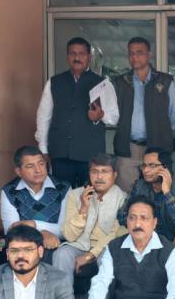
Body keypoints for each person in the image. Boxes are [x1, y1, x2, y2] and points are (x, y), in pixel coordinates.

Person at [35, 36, 119, 188]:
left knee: (89, 195)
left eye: (81, 54)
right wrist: (43, 149)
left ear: (89, 57)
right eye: (72, 53)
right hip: (60, 154)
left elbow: (114, 117)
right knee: (62, 195)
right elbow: (43, 117)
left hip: (90, 156)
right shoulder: (54, 82)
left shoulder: (103, 83)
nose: (77, 57)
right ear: (67, 57)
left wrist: (101, 115)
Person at [113, 37, 175, 192]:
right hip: (128, 148)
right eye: (131, 53)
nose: (134, 56)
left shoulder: (165, 81)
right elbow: (113, 115)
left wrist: (161, 137)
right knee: (127, 194)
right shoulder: (120, 82)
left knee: (158, 192)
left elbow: (173, 118)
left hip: (157, 148)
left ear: (149, 54)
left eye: (139, 52)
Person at [53, 153, 127, 289]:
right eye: (94, 171)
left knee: (107, 257)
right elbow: (69, 235)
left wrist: (90, 255)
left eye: (105, 171)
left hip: (106, 247)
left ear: (114, 175)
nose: (99, 177)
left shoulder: (123, 198)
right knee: (61, 254)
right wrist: (83, 209)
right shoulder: (75, 195)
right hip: (79, 245)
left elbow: (116, 234)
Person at [118, 147, 175, 265]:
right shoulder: (138, 186)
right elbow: (122, 217)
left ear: (165, 168)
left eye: (152, 166)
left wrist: (167, 193)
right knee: (121, 231)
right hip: (144, 240)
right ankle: (130, 273)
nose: (146, 170)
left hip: (172, 244)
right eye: (144, 166)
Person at [0, 146, 71, 262]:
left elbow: (65, 230)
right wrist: (41, 234)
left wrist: (33, 224)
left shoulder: (63, 188)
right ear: (18, 171)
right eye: (30, 166)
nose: (38, 170)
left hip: (56, 246)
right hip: (25, 247)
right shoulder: (9, 192)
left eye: (41, 164)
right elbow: (12, 231)